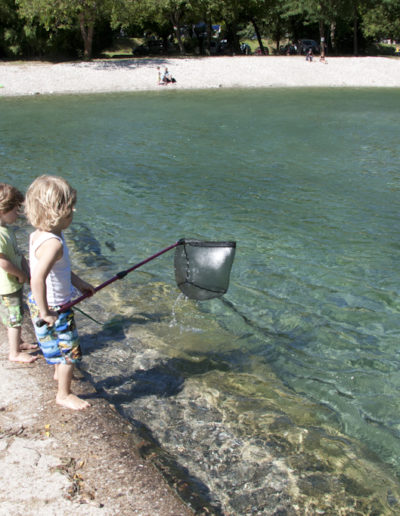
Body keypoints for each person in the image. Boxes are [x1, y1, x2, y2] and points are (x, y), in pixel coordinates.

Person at [25, 175, 95, 410]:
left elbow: (60, 270)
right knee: (70, 353)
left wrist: (78, 282)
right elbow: (38, 278)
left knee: (56, 347)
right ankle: (63, 394)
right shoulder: (54, 243)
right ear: (55, 213)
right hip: (54, 308)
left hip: (40, 303)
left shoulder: (38, 234)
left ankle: (58, 374)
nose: (74, 211)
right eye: (69, 210)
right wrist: (47, 312)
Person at [0, 183, 38, 363]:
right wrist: (21, 274)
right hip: (7, 286)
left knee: (14, 314)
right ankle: (14, 353)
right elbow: (2, 261)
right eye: (15, 211)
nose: (18, 214)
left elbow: (15, 253)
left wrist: (27, 268)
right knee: (14, 318)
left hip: (12, 283)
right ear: (2, 209)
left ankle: (19, 342)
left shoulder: (6, 230)